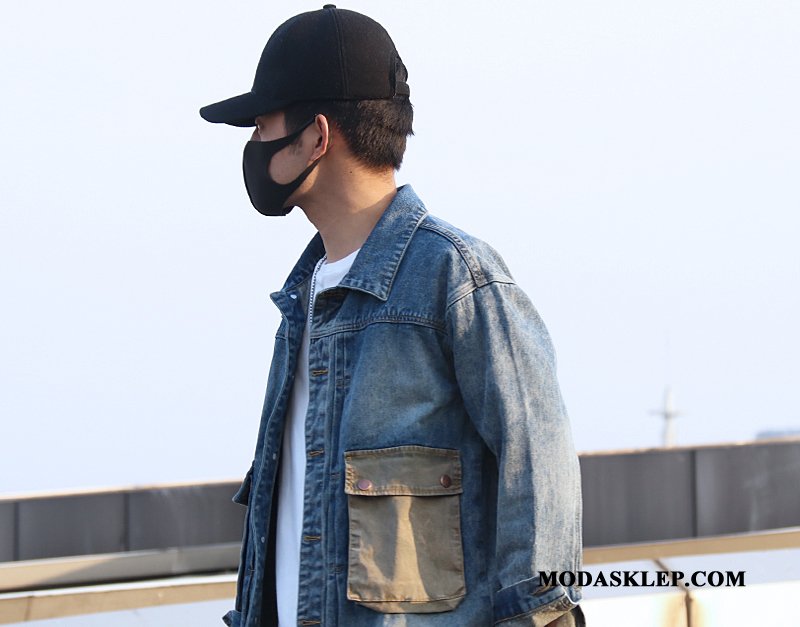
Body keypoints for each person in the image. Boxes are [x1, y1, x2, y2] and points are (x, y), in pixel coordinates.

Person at [200, 5, 584, 626]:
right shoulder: (302, 300)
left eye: (262, 127)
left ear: (317, 136)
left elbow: (539, 466)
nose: (252, 147)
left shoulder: (456, 277)